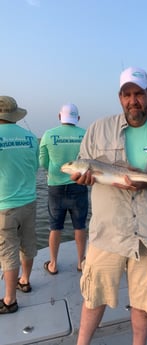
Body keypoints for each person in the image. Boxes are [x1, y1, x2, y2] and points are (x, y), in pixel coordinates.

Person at [71, 67, 147, 345]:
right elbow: (83, 165)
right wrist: (84, 178)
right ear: (120, 97)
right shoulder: (98, 128)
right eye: (127, 94)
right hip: (108, 231)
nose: (133, 100)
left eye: (139, 93)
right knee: (94, 295)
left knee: (144, 302)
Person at [0, 96, 39, 314]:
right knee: (28, 244)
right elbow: (35, 166)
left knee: (8, 251)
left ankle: (9, 300)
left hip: (3, 205)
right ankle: (24, 281)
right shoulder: (32, 138)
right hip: (29, 201)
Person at [39, 103, 88, 274]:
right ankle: (81, 262)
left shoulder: (48, 134)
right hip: (79, 185)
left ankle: (53, 264)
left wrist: (53, 173)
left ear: (59, 117)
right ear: (78, 118)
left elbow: (42, 161)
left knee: (55, 227)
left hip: (55, 187)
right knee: (80, 226)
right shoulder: (85, 134)